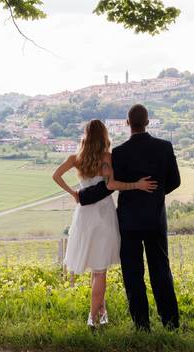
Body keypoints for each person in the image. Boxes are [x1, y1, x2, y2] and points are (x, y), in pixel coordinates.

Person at [78, 104, 181, 330]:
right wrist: (155, 195)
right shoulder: (165, 147)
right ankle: (171, 324)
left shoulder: (120, 153)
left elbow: (110, 186)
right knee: (161, 270)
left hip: (129, 222)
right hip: (155, 220)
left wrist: (81, 196)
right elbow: (175, 182)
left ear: (127, 123)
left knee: (133, 275)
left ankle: (142, 325)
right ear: (148, 121)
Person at [52, 119, 158, 327]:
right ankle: (93, 318)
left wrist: (74, 193)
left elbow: (56, 175)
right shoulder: (107, 158)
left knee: (96, 268)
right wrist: (138, 184)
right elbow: (113, 185)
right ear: (104, 136)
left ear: (86, 135)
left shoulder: (75, 158)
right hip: (104, 215)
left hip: (84, 216)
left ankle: (102, 312)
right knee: (100, 271)